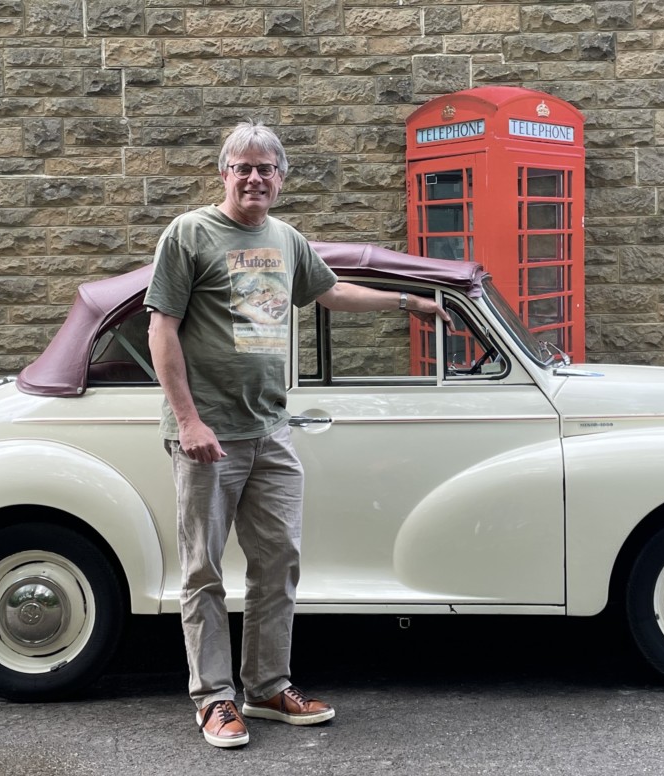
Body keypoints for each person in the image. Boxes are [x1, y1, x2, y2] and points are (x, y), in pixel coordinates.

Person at [145, 120, 448, 749]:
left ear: (281, 178)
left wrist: (408, 305)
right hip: (209, 435)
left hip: (269, 429)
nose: (254, 177)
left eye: (267, 168)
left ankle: (266, 687)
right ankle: (214, 700)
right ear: (223, 172)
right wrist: (190, 420)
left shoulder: (286, 239)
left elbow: (330, 292)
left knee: (278, 562)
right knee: (203, 571)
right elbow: (162, 329)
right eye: (243, 166)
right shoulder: (189, 233)